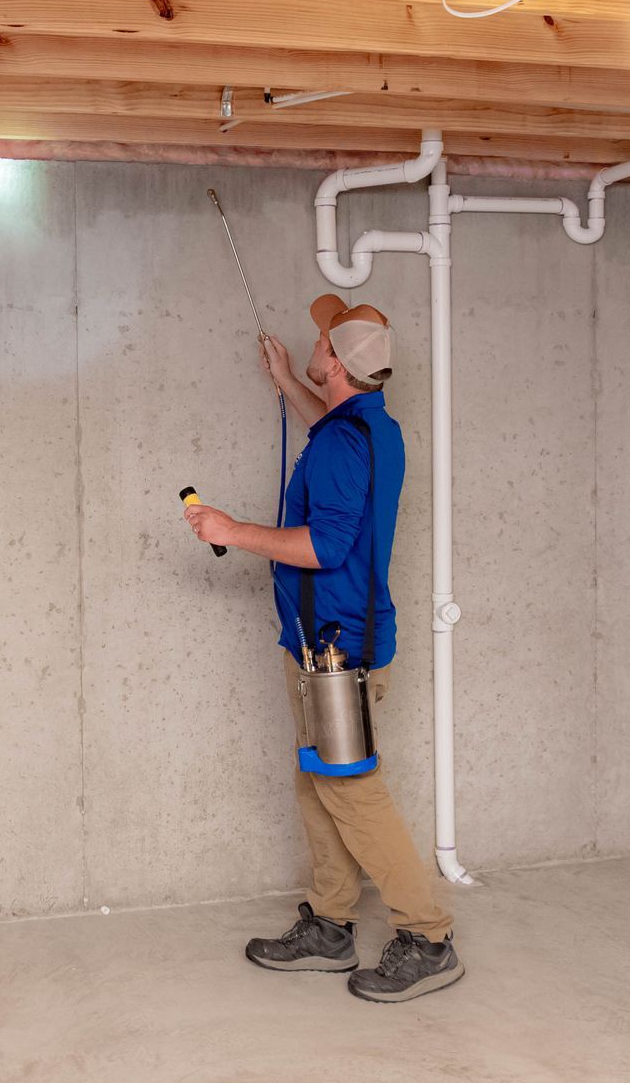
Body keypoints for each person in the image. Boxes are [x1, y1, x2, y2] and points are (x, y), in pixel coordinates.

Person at [182, 293, 464, 1004]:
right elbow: (332, 428)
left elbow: (328, 541)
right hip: (325, 640)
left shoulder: (344, 443)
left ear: (336, 362)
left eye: (321, 341)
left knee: (352, 790)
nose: (314, 342)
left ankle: (428, 937)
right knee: (317, 783)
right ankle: (333, 926)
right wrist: (287, 384)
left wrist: (232, 529)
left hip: (337, 648)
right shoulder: (371, 426)